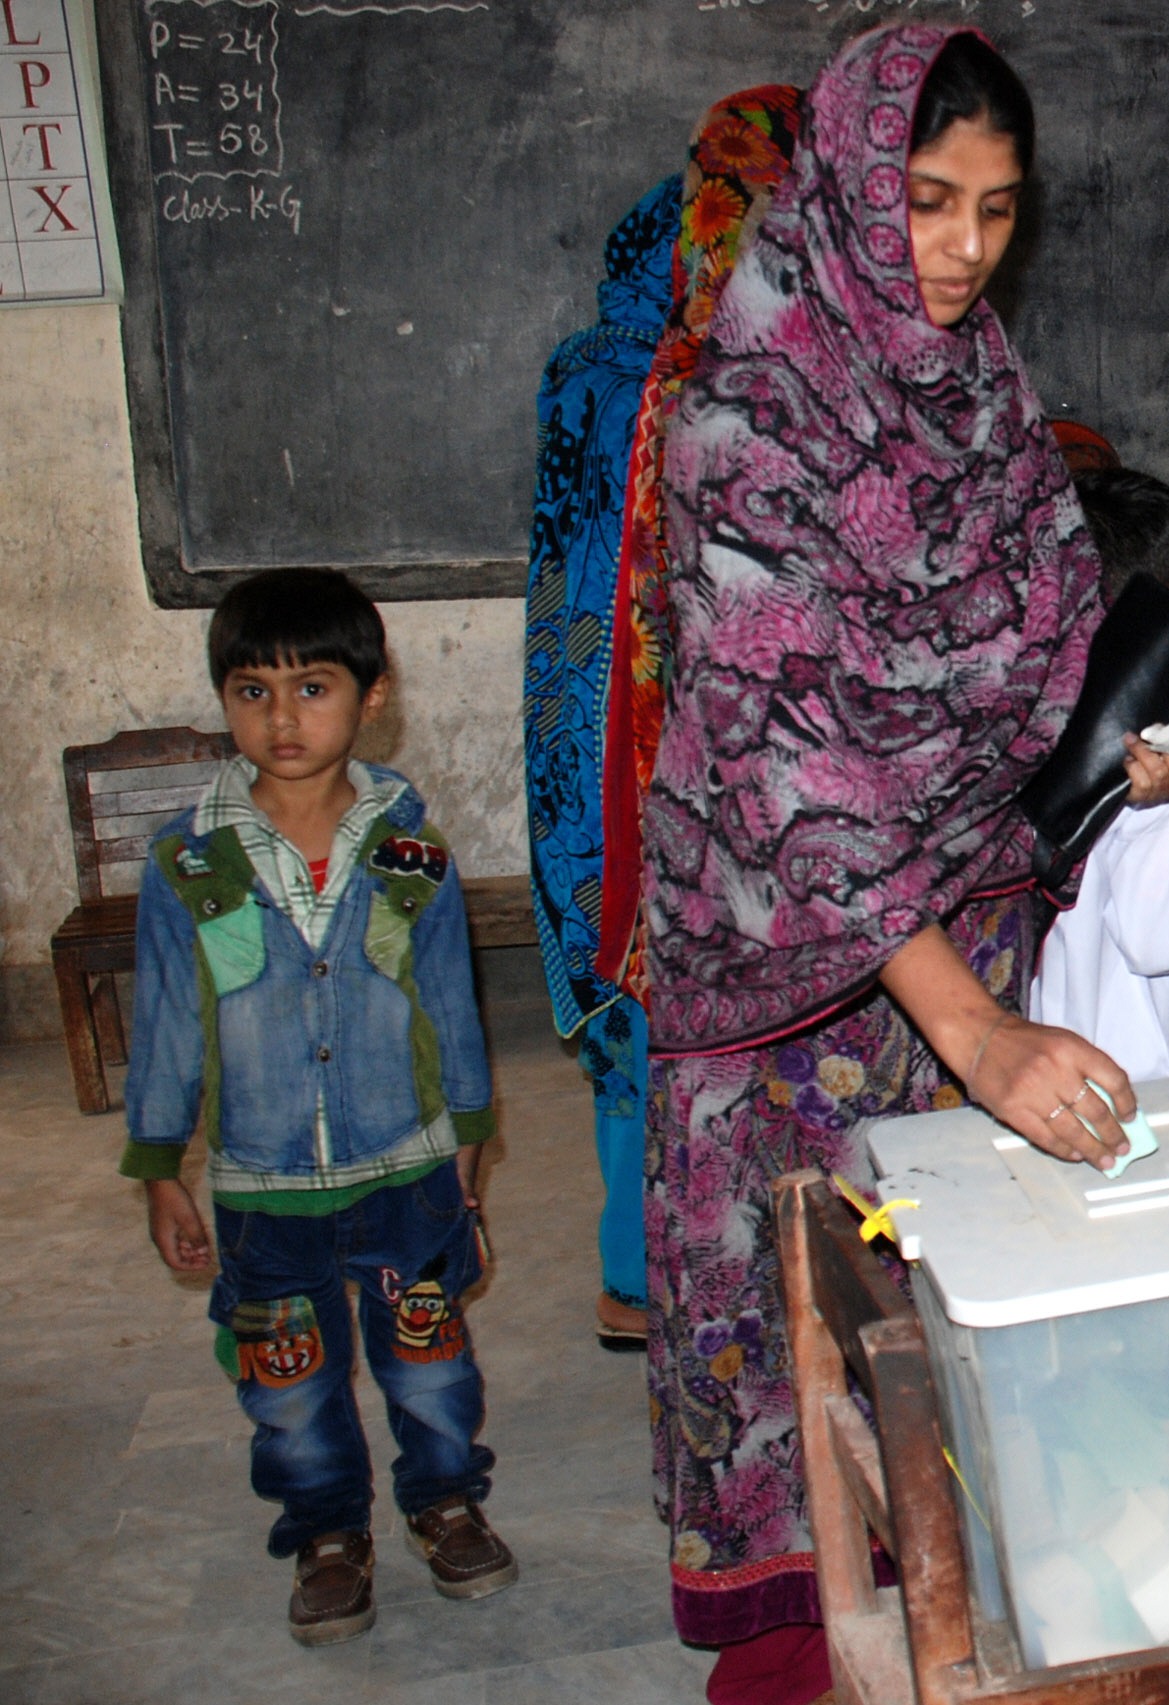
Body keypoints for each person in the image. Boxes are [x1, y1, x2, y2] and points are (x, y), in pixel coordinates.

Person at [637, 28, 1169, 1701]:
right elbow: (792, 766)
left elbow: (1027, 641)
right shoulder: (744, 420)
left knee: (944, 1343)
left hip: (956, 948)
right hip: (789, 994)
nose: (959, 250)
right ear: (844, 184)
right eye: (926, 200)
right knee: (795, 1364)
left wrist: (1114, 747)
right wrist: (975, 1030)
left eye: (998, 212)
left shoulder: (983, 391)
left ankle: (946, 1632)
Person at [121, 568, 516, 1643]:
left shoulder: (409, 848)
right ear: (222, 697)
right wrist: (159, 1168)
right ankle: (327, 1534)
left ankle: (443, 1501)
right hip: (262, 1188)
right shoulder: (187, 860)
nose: (282, 717)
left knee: (428, 1360)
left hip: (404, 1170)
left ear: (371, 695)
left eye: (312, 687)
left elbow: (448, 1007)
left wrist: (466, 1150)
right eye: (252, 690)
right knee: (289, 1386)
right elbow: (163, 1021)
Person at [522, 175, 679, 1352]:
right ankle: (674, 1265)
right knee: (671, 991)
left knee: (624, 995)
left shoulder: (580, 370)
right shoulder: (692, 387)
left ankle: (632, 1271)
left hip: (573, 728)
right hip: (657, 735)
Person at [1028, 468, 1169, 1080]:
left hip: (1017, 1056)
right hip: (1123, 1074)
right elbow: (1163, 940)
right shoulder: (1165, 739)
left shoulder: (1014, 700)